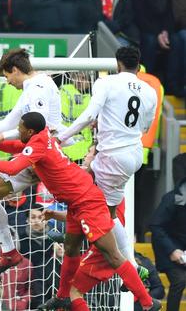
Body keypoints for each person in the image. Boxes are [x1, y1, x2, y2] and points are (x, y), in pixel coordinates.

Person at [0, 111, 160, 311]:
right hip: (75, 204)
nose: (18, 132)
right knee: (70, 248)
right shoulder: (40, 139)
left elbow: (12, 168)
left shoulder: (38, 145)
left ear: (30, 131)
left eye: (20, 129)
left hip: (87, 203)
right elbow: (16, 146)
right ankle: (62, 296)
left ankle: (147, 302)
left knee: (112, 254)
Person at [57, 46, 156, 278]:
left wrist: (61, 137)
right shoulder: (150, 91)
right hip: (133, 154)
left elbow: (90, 115)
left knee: (89, 198)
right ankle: (129, 260)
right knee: (107, 211)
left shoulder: (106, 82)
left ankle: (81, 240)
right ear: (138, 65)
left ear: (117, 64)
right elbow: (145, 127)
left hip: (113, 154)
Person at [0, 48, 63, 275]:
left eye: (6, 76)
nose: (8, 82)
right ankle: (8, 251)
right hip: (35, 152)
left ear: (14, 70)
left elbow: (38, 128)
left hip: (42, 157)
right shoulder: (33, 86)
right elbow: (10, 121)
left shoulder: (38, 89)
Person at [149, 181, 186, 311]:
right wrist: (172, 250)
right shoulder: (172, 199)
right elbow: (155, 225)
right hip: (166, 248)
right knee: (180, 280)